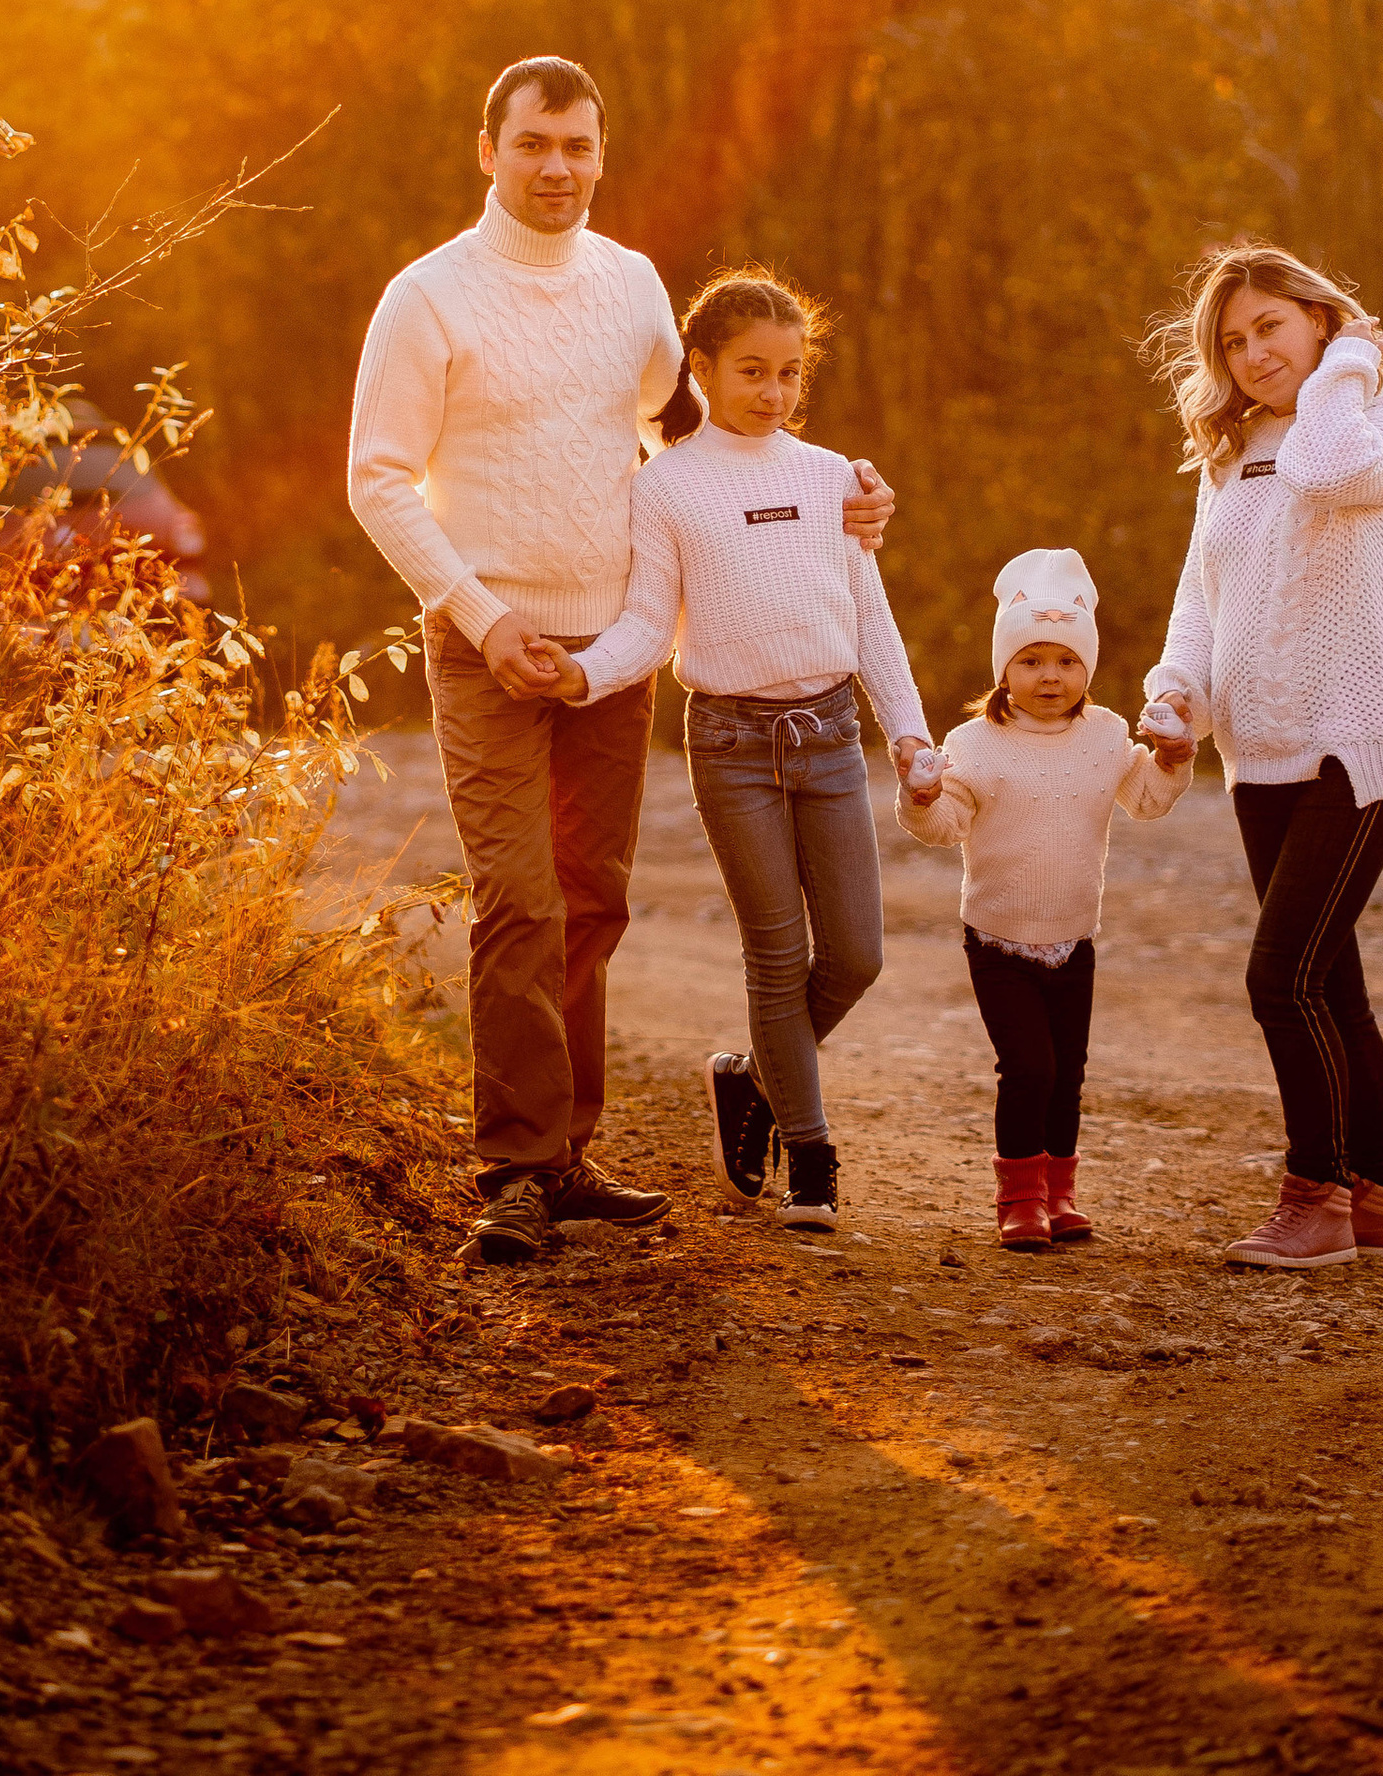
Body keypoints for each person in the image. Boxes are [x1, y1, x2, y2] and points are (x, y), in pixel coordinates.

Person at [348, 63, 896, 1263]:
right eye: (534, 142)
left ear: (602, 155)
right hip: (486, 639)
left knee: (593, 901)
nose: (557, 167)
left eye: (578, 146)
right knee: (520, 896)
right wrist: (484, 617)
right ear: (484, 148)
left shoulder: (633, 284)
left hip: (615, 643)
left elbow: (696, 429)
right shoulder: (428, 298)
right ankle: (511, 1167)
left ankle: (568, 1155)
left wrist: (836, 490)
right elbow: (377, 477)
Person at [529, 268, 924, 1232]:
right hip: (733, 746)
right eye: (752, 371)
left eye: (790, 374)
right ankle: (813, 1158)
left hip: (828, 737)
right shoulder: (664, 488)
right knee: (778, 957)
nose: (773, 392)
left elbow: (869, 618)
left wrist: (909, 734)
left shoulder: (834, 478)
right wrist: (582, 674)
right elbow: (644, 625)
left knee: (859, 956)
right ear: (700, 370)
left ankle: (749, 1077)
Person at [1140, 239, 1383, 1271]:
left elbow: (1327, 467)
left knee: (1282, 975)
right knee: (1329, 978)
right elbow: (1197, 593)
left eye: (1270, 325)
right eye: (1232, 339)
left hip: (1359, 732)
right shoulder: (1229, 453)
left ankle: (1314, 1198)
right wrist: (1174, 694)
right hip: (1257, 748)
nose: (1252, 351)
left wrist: (1352, 362)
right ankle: (1378, 1191)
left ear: (1317, 316)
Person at [897, 549, 1195, 1250]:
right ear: (1004, 668)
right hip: (997, 938)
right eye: (1031, 660)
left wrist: (1172, 759)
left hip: (1074, 934)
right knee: (1028, 1068)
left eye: (1065, 660)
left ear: (1086, 667)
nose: (1050, 676)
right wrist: (922, 794)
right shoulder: (975, 742)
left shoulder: (1104, 736)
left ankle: (1062, 1196)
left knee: (1067, 1075)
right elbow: (944, 827)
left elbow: (1147, 799)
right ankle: (1020, 1200)